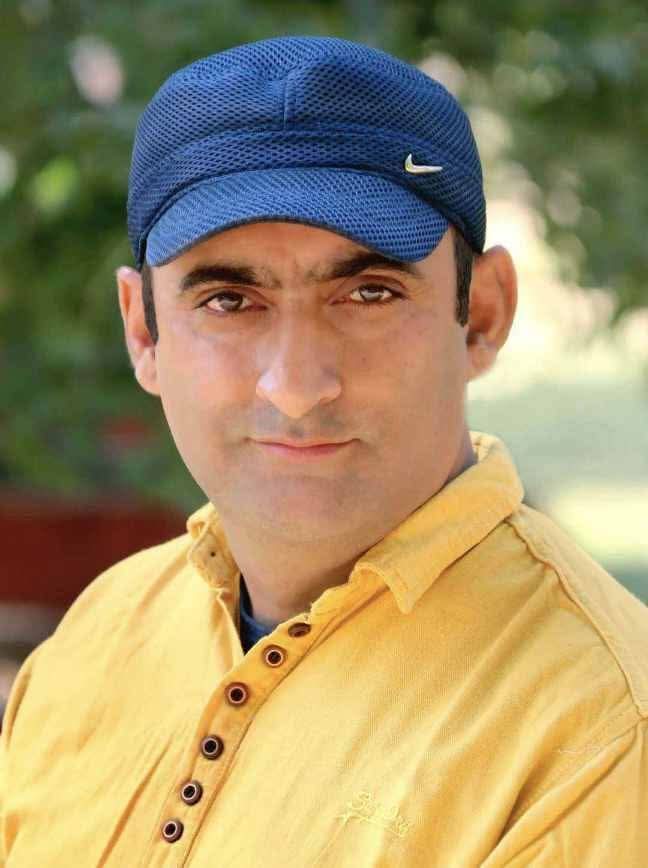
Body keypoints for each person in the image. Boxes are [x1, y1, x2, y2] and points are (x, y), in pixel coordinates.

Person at [1, 35, 646, 867]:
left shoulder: (597, 732)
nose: (296, 386)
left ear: (481, 314)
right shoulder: (98, 638)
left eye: (369, 292)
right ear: (143, 332)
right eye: (229, 300)